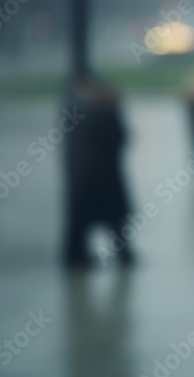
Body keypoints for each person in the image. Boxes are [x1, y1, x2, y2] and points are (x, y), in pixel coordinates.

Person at [62, 74, 134, 268]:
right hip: (103, 178)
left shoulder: (78, 114)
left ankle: (77, 258)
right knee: (115, 220)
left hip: (84, 178)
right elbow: (121, 139)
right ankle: (122, 256)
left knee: (82, 222)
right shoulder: (105, 114)